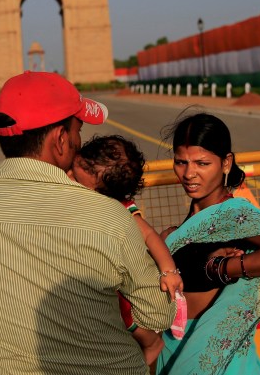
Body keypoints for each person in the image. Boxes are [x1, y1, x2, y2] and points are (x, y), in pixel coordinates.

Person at [0, 71, 174, 375]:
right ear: (61, 139)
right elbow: (158, 314)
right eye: (78, 130)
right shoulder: (107, 216)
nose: (80, 141)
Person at [156, 112, 260, 375]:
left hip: (222, 361)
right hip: (173, 352)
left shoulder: (233, 215)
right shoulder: (179, 231)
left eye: (202, 163)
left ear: (226, 162)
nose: (189, 173)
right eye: (181, 162)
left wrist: (221, 267)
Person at [72, 135, 185, 366]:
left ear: (105, 194)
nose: (71, 178)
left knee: (123, 315)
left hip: (118, 276)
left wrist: (169, 270)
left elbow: (150, 235)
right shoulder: (74, 172)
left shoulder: (118, 208)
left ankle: (152, 345)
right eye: (75, 170)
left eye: (79, 182)